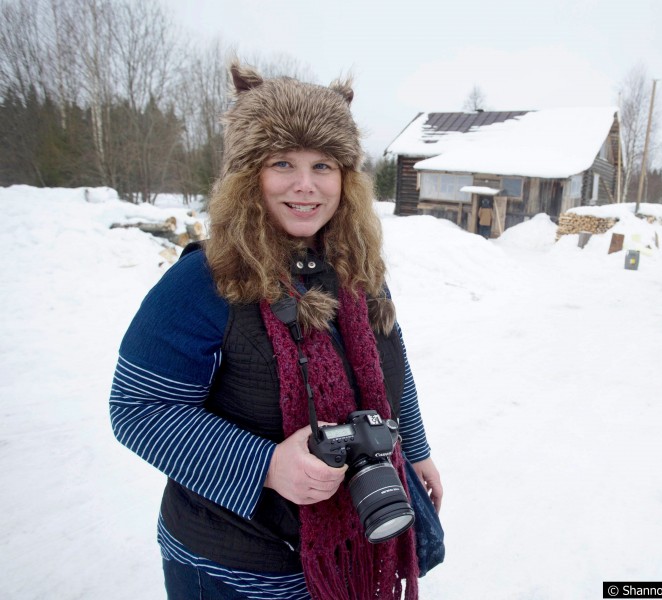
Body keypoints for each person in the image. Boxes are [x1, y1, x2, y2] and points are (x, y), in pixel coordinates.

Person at [109, 61, 442, 600]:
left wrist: (417, 449)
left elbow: (393, 369)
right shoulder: (205, 278)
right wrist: (264, 466)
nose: (305, 186)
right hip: (231, 567)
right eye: (283, 162)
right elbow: (138, 408)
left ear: (346, 179)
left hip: (347, 557)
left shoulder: (357, 269)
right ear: (248, 175)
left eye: (324, 165)